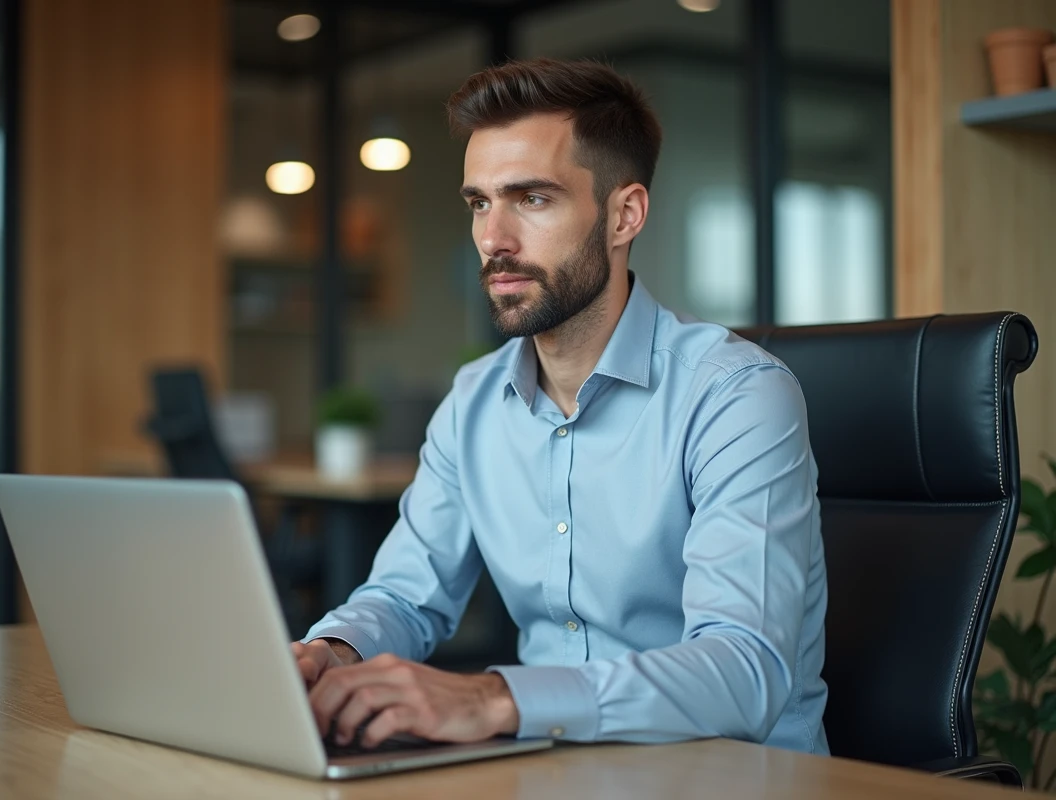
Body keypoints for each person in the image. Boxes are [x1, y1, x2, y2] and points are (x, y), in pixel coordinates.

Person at [292, 57, 828, 755]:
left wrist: (494, 697)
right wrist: (331, 653)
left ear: (624, 214)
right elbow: (403, 596)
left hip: (727, 778)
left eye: (533, 199)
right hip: (547, 767)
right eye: (480, 202)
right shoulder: (474, 401)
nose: (493, 239)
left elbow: (745, 673)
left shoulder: (736, 396)